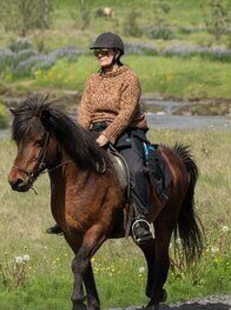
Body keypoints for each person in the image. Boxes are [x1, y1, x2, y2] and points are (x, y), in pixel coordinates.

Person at [46, 32, 154, 245]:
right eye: (97, 53)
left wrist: (108, 136)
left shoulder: (129, 78)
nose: (100, 56)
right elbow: (85, 110)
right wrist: (79, 137)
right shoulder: (93, 80)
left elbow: (126, 113)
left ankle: (140, 220)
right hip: (94, 132)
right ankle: (66, 218)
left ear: (116, 54)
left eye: (104, 52)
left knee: (136, 169)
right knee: (68, 167)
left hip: (126, 132)